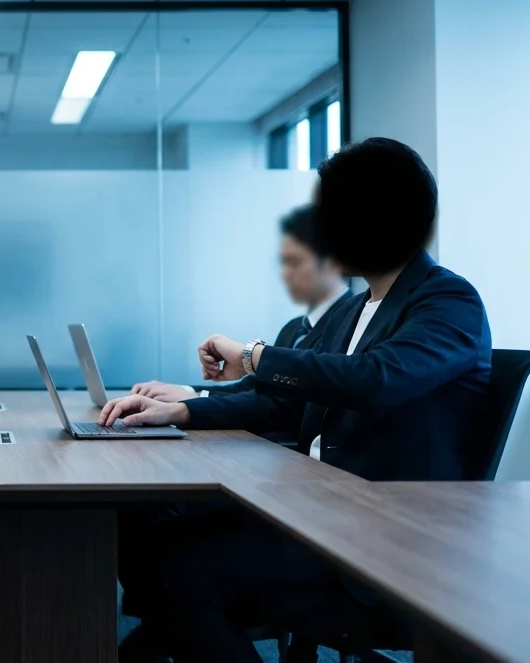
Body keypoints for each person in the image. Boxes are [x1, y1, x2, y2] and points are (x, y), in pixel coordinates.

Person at [103, 137, 492, 662]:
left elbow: (375, 379)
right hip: (315, 511)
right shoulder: (352, 311)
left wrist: (256, 355)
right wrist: (185, 410)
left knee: (183, 581)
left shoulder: (448, 302)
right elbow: (286, 404)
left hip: (379, 536)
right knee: (147, 529)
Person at [128, 203, 350, 403]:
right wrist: (188, 392)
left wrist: (190, 403)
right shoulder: (295, 328)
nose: (284, 275)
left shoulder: (349, 325)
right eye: (283, 263)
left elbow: (281, 406)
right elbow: (256, 389)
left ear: (333, 262)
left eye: (295, 262)